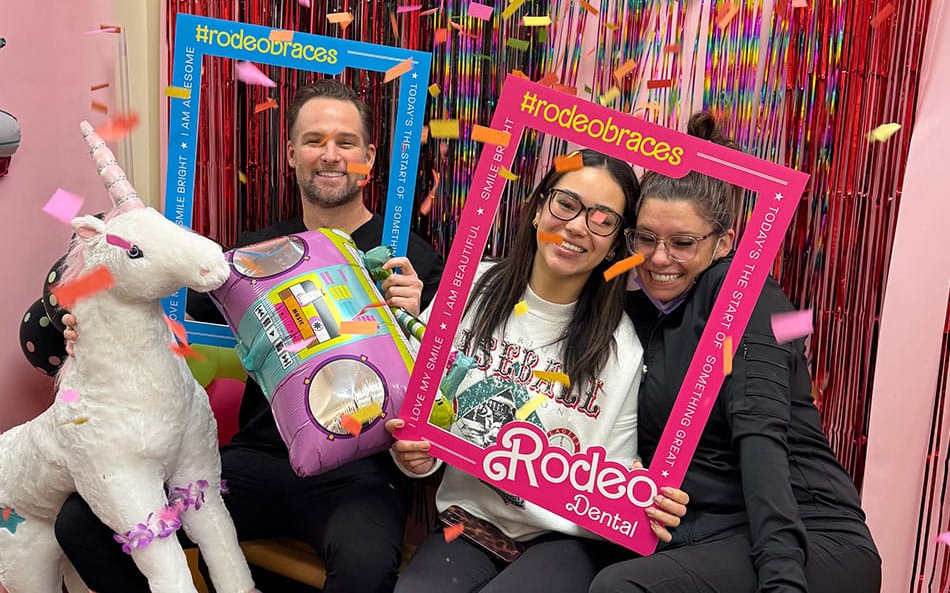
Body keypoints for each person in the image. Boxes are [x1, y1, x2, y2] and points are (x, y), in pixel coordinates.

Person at [54, 79, 444, 593]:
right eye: (314, 140)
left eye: (346, 142)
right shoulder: (251, 252)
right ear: (290, 154)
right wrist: (91, 318)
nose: (329, 155)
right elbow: (163, 305)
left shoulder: (412, 259)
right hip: (250, 464)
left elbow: (440, 403)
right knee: (83, 522)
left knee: (366, 572)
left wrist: (412, 325)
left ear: (369, 157)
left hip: (358, 476)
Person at [589, 112, 881, 593]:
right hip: (706, 532)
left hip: (807, 532)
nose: (659, 258)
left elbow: (761, 436)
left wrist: (782, 580)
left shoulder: (745, 296)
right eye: (645, 239)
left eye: (683, 243)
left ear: (724, 242)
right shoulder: (636, 311)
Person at [388, 149, 689, 593]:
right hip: (468, 527)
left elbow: (619, 473)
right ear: (538, 208)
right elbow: (418, 417)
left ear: (614, 245)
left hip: (566, 541)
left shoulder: (621, 347)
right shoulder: (469, 290)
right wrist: (412, 455)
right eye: (567, 204)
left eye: (602, 219)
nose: (576, 227)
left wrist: (649, 504)